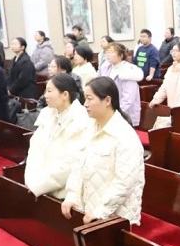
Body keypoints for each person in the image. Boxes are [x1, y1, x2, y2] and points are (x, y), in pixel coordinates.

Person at [62, 77, 144, 225]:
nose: (85, 104)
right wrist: (72, 196)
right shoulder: (90, 127)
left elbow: (124, 183)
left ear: (107, 101)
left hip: (115, 218)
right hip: (89, 211)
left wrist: (101, 211)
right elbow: (78, 165)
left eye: (89, 99)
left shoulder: (125, 136)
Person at [25, 74, 90, 199]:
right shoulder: (47, 115)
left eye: (49, 91)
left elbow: (69, 164)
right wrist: (31, 181)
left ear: (65, 95)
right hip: (38, 186)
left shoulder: (81, 120)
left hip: (63, 194)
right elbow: (34, 150)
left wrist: (39, 186)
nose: (45, 95)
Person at [98, 43, 143, 126]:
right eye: (107, 52)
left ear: (121, 55)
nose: (108, 55)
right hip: (109, 110)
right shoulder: (106, 68)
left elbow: (128, 99)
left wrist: (116, 114)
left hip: (125, 114)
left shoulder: (129, 71)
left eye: (111, 52)